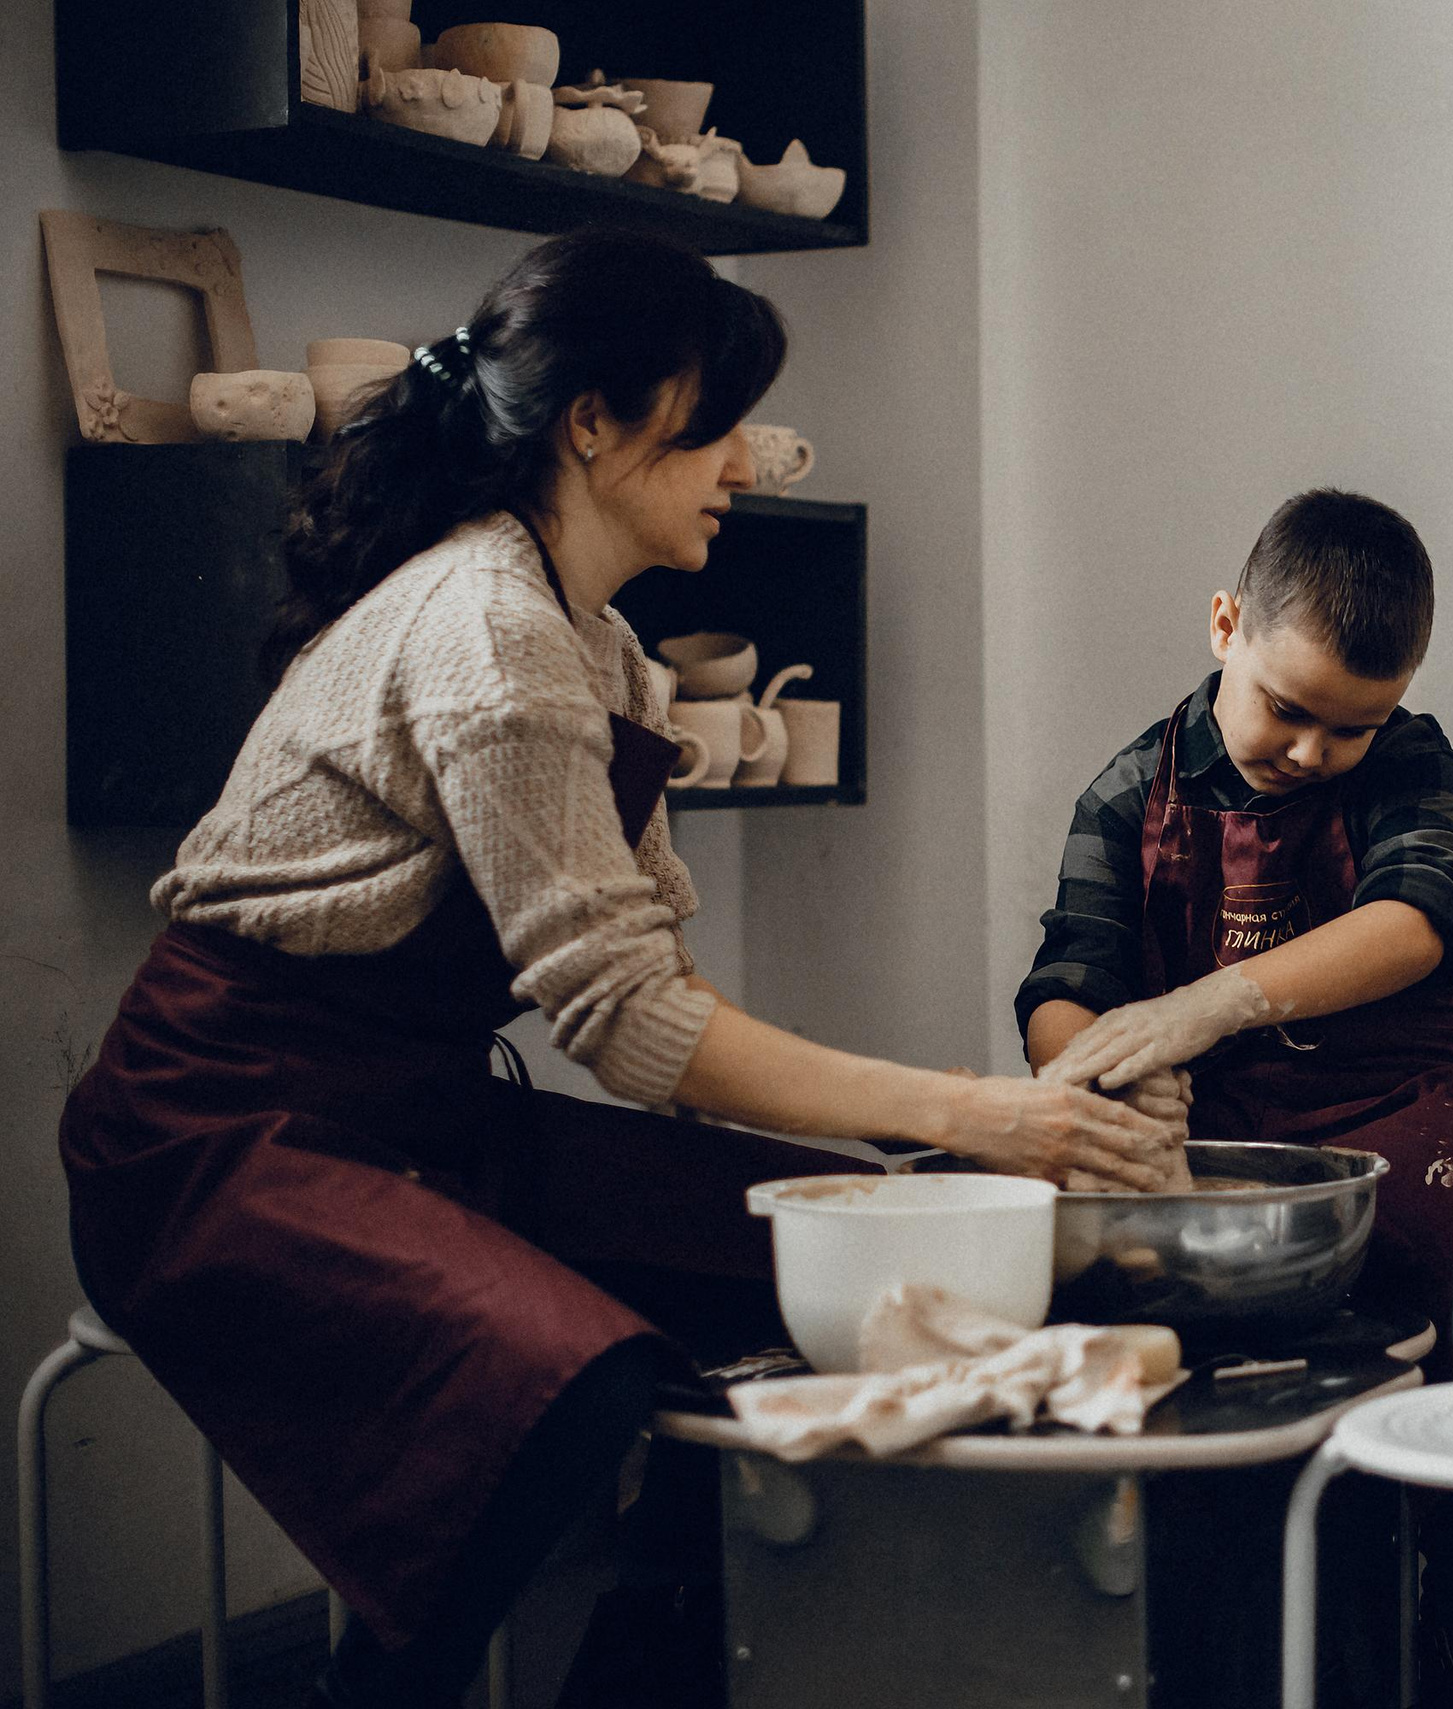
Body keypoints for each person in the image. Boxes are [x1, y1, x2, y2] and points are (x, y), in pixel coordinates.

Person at [57, 229, 1172, 1709]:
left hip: (416, 1125)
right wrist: (976, 1116)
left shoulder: (604, 649)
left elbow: (660, 998)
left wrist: (919, 1168)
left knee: (804, 1260)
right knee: (569, 1392)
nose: (742, 465)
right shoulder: (489, 632)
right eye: (711, 427)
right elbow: (635, 1028)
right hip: (216, 1140)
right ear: (596, 422)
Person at [1016, 487, 1453, 1698]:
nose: (1312, 752)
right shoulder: (1129, 791)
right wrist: (1120, 1070)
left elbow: (1415, 918)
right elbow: (1063, 986)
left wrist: (1213, 1002)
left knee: (1440, 1382)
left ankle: (1452, 1625)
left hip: (1405, 1117)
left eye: (1350, 729)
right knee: (1241, 1405)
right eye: (1288, 711)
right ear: (1226, 623)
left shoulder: (1409, 757)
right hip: (1230, 1154)